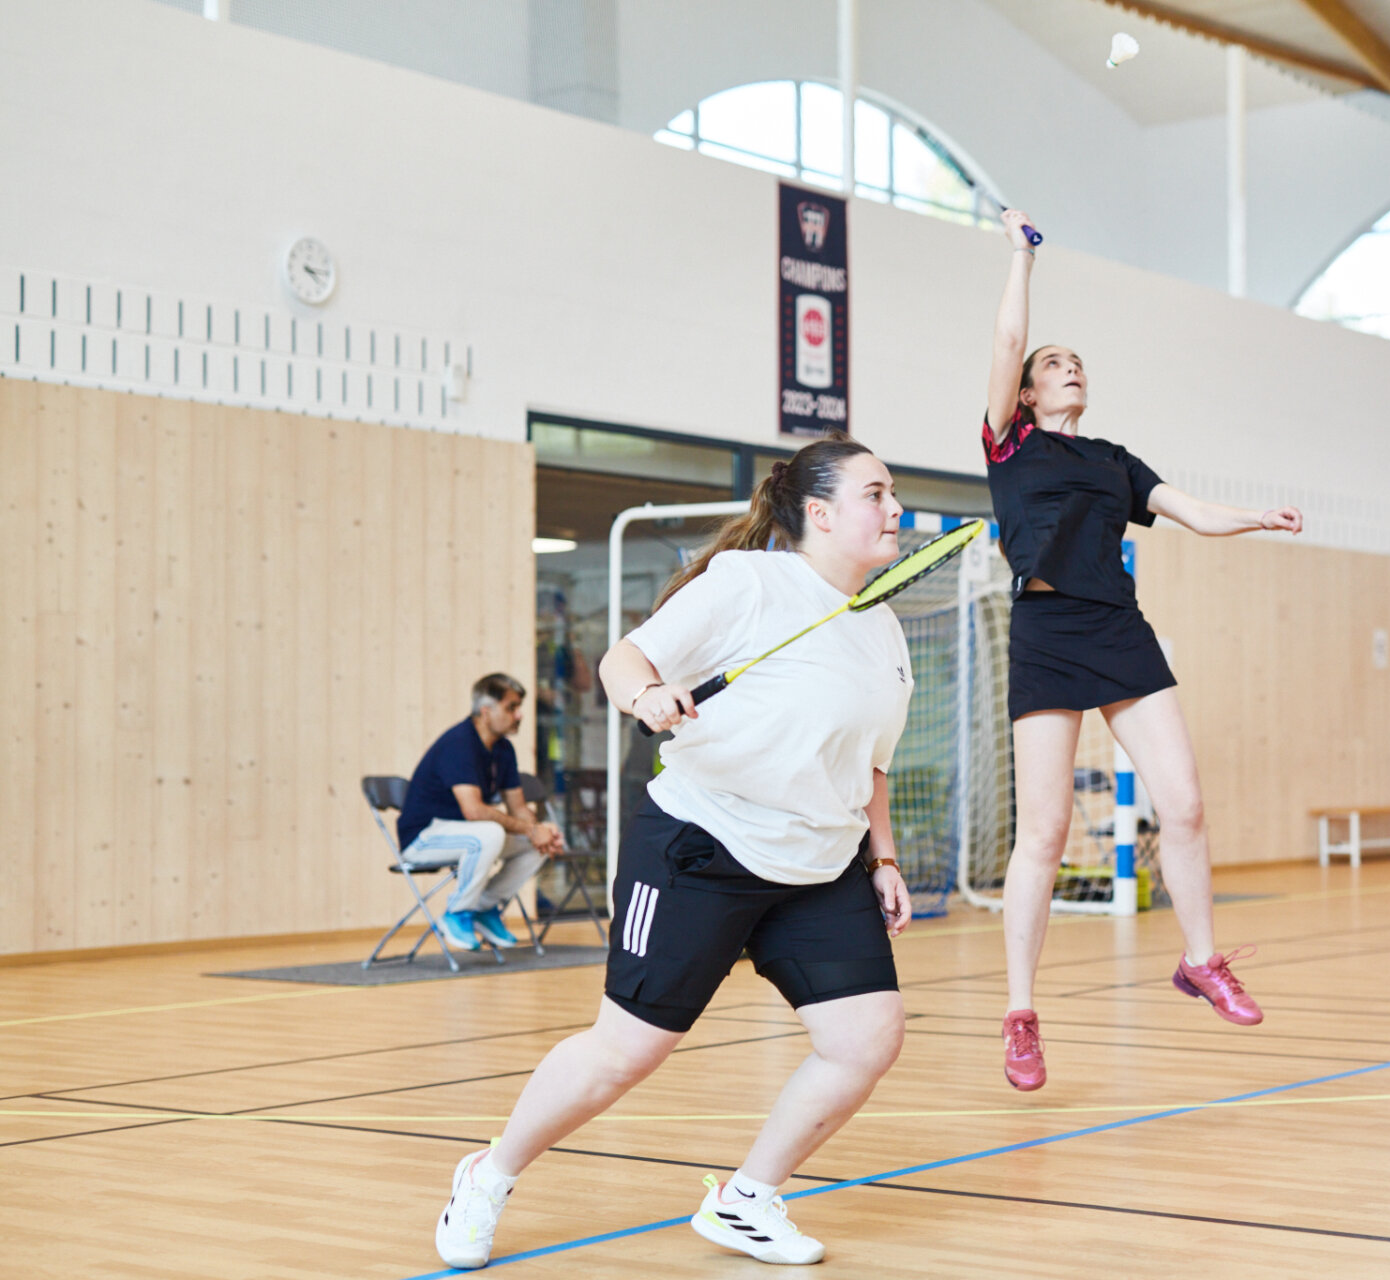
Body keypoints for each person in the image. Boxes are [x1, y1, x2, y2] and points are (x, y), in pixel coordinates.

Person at [434, 435, 916, 1270]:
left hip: (817, 863)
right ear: (820, 513)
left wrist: (884, 859)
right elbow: (624, 659)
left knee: (866, 1037)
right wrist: (648, 694)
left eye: (892, 492)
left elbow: (868, 763)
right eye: (876, 493)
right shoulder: (748, 583)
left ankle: (746, 1200)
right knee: (625, 1052)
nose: (895, 508)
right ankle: (490, 1172)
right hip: (704, 845)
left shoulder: (882, 626)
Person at [983, 207, 1305, 1093]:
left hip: (1119, 630)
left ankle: (1200, 961)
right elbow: (1008, 338)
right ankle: (1021, 1014)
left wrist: (1258, 516)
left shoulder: (1114, 459)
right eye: (1055, 363)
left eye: (1077, 362)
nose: (1070, 368)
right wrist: (1021, 258)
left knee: (1186, 804)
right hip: (1046, 632)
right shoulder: (1010, 445)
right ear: (1026, 393)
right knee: (1044, 831)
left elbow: (1191, 511)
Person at [397, 673, 565, 951]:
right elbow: (474, 811)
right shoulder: (459, 743)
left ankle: (484, 908)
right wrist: (531, 829)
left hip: (468, 835)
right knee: (489, 833)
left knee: (537, 844)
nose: (519, 715)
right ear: (486, 711)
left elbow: (518, 808)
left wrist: (540, 833)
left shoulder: (503, 749)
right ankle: (456, 912)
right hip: (424, 838)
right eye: (511, 707)